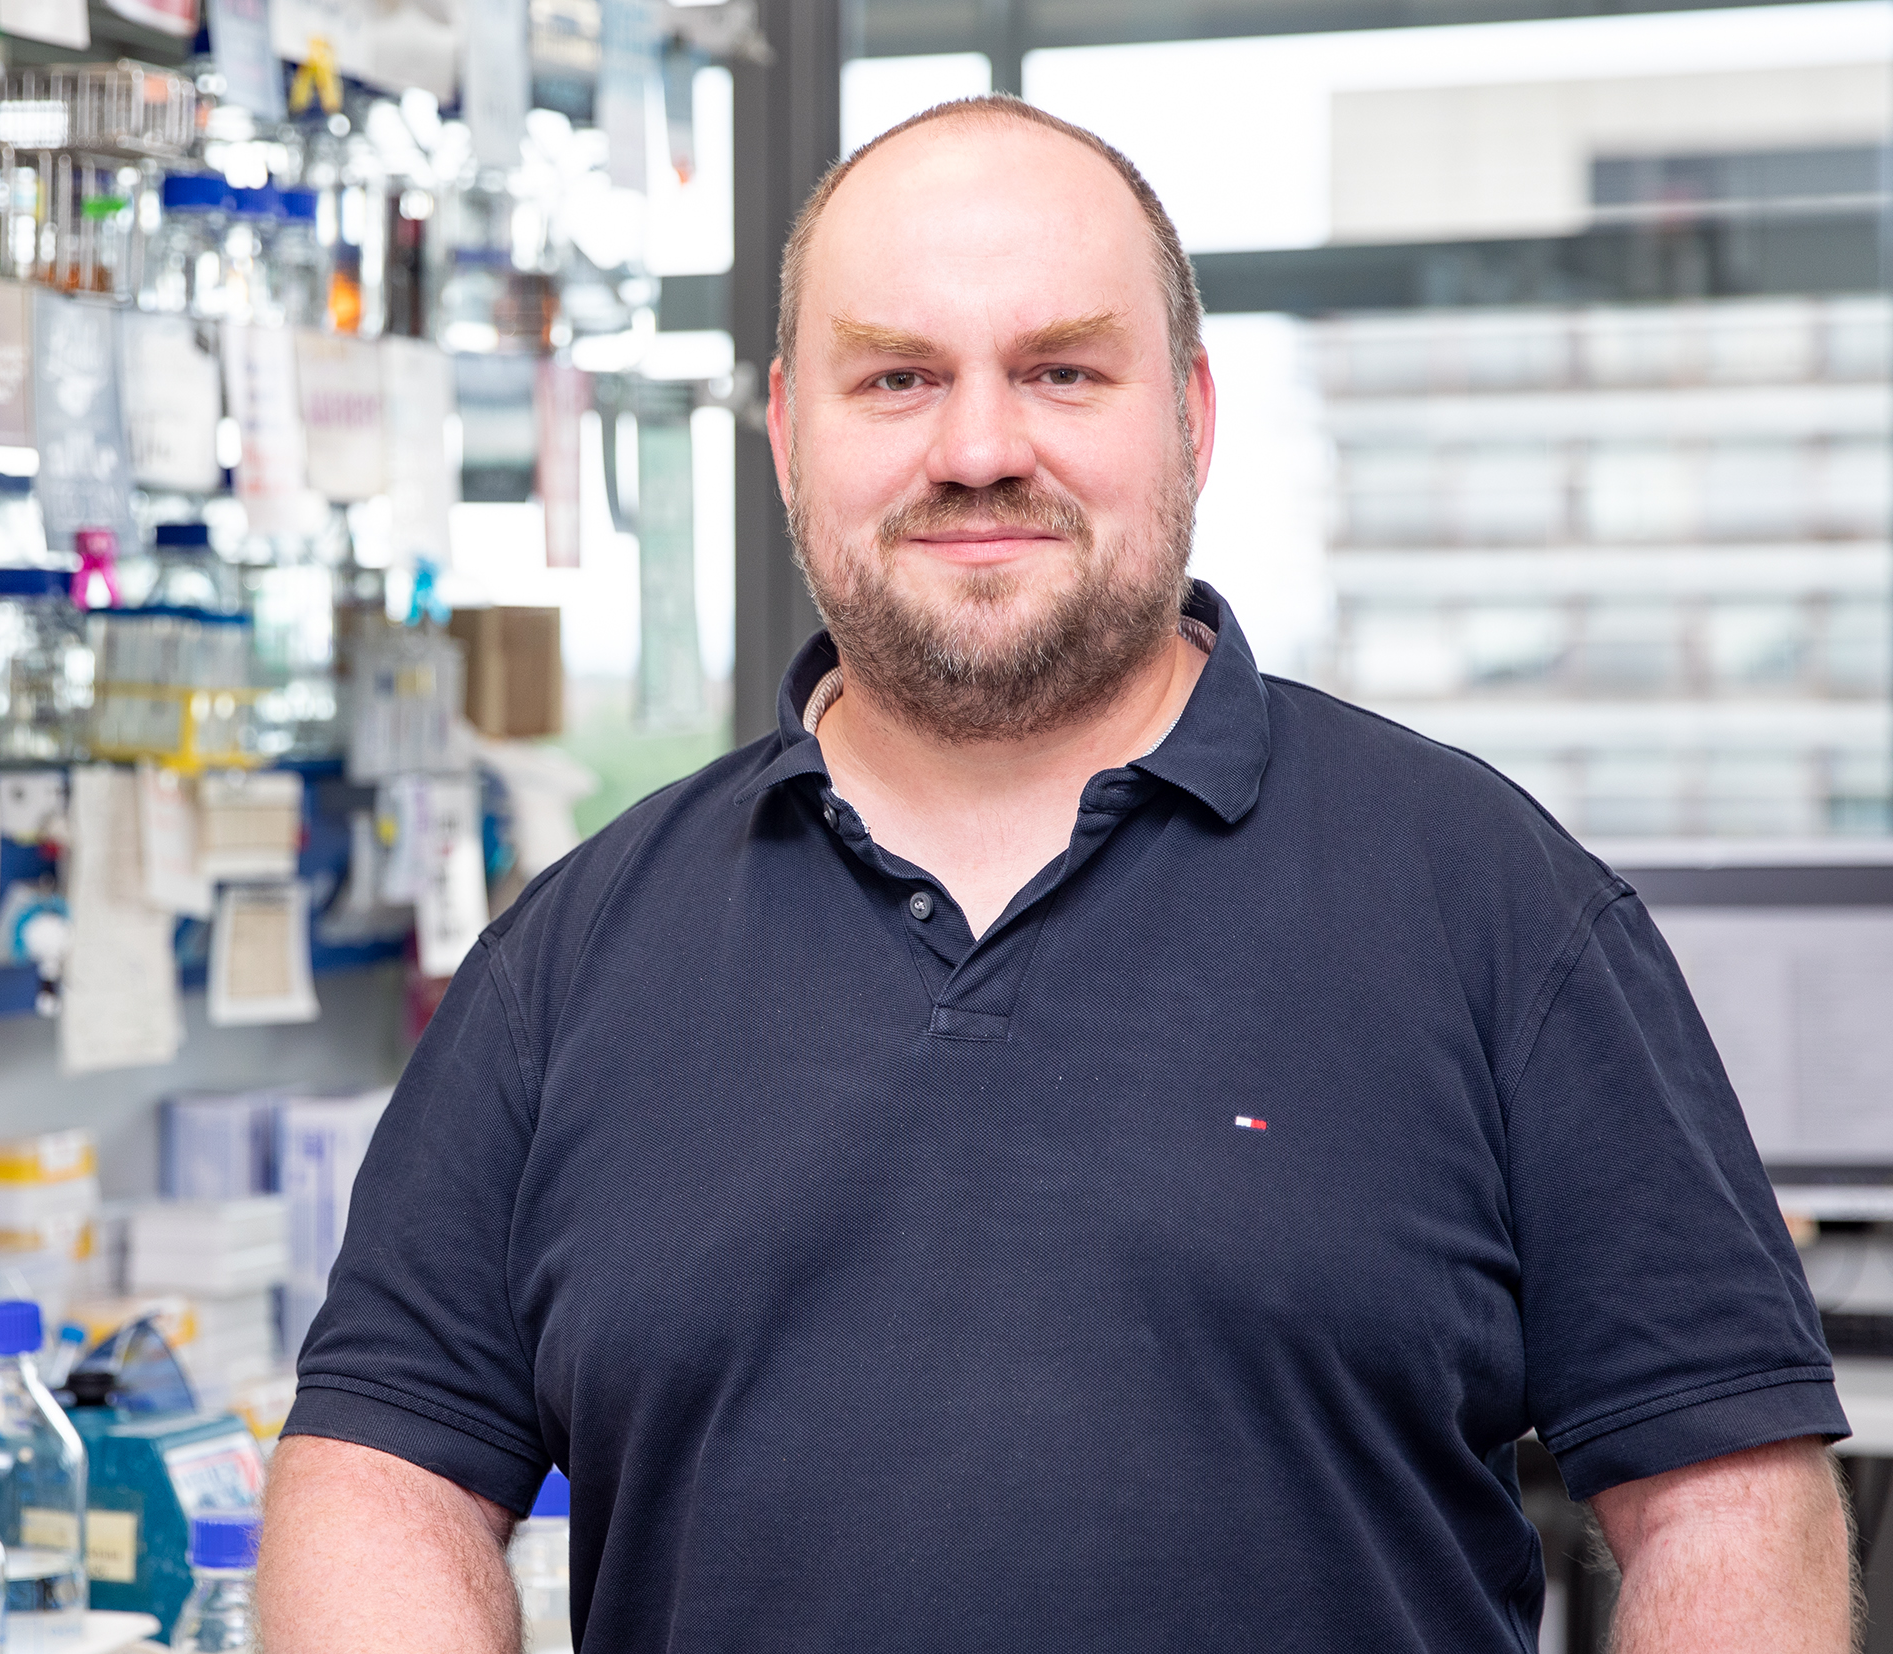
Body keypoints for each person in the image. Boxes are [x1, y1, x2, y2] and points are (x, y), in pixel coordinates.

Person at [259, 96, 1854, 1652]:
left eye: (1061, 370)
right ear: (786, 431)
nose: (976, 447)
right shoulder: (574, 954)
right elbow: (380, 1478)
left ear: (1193, 417)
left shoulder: (1495, 905)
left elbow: (1727, 1503)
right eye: (895, 376)